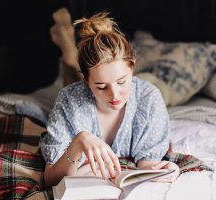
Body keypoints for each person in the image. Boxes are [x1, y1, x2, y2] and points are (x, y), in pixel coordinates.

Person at [41, 8, 180, 187]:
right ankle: (69, 56)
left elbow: (148, 164)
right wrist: (78, 142)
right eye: (101, 86)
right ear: (87, 81)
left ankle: (70, 55)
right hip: (76, 93)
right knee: (71, 93)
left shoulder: (149, 97)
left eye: (122, 82)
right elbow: (50, 179)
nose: (114, 95)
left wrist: (168, 168)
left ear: (132, 68)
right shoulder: (69, 99)